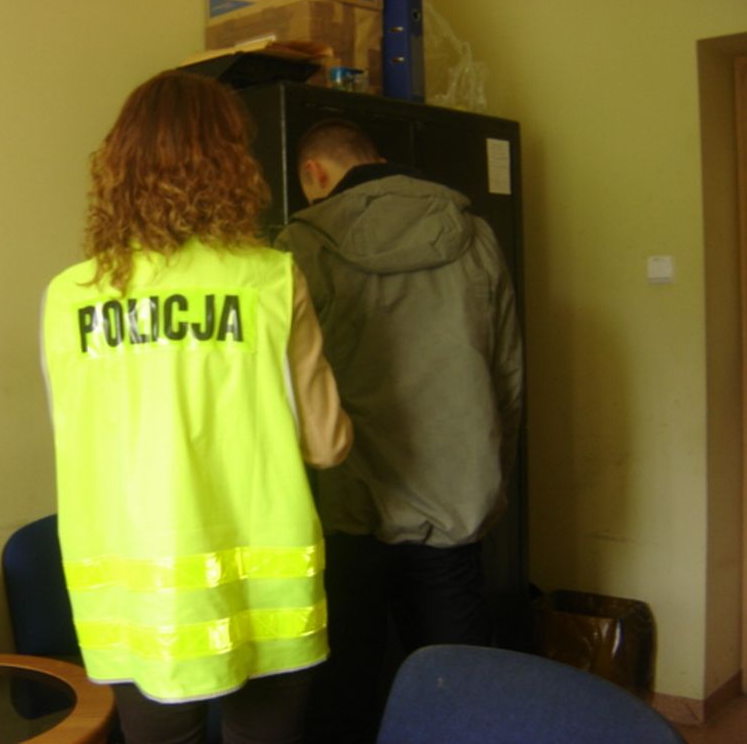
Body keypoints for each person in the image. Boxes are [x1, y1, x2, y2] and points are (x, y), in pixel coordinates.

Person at [40, 71, 352, 744]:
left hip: (136, 600)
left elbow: (76, 436)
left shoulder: (69, 297)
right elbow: (327, 445)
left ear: (118, 167)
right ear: (231, 164)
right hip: (265, 594)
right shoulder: (271, 279)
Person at [273, 118, 523, 743]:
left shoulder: (301, 245)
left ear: (314, 173)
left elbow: (285, 392)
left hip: (347, 505)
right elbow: (508, 374)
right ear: (377, 159)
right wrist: (489, 478)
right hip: (454, 502)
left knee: (343, 690)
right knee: (458, 689)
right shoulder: (475, 234)